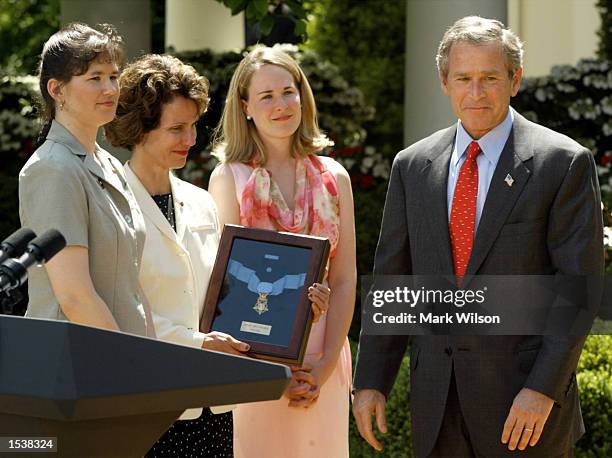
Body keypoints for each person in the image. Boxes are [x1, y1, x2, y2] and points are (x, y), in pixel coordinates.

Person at [352, 16, 603, 458]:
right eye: (464, 78)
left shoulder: (562, 163)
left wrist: (542, 390)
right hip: (436, 406)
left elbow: (576, 293)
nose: (476, 92)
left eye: (490, 78)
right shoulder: (412, 166)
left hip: (524, 409)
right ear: (444, 82)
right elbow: (395, 282)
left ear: (515, 80)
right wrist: (371, 380)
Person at [208, 46, 356, 458]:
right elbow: (224, 284)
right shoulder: (227, 178)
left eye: (288, 92)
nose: (281, 105)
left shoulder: (335, 176)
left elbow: (344, 279)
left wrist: (324, 367)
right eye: (266, 96)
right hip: (253, 360)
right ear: (246, 107)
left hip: (322, 359)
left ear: (302, 97)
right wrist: (269, 372)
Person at [105, 53, 253, 458]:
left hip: (214, 402)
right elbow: (118, 308)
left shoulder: (202, 202)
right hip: (148, 402)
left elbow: (225, 293)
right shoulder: (107, 203)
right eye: (176, 129)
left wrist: (290, 314)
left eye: (193, 126)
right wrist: (196, 342)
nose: (190, 140)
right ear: (139, 129)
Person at [19, 23, 155, 338]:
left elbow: (131, 286)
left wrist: (154, 357)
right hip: (73, 365)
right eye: (94, 78)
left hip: (118, 363)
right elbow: (74, 296)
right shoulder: (52, 168)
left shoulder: (110, 164)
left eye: (113, 76)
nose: (110, 89)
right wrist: (132, 361)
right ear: (57, 90)